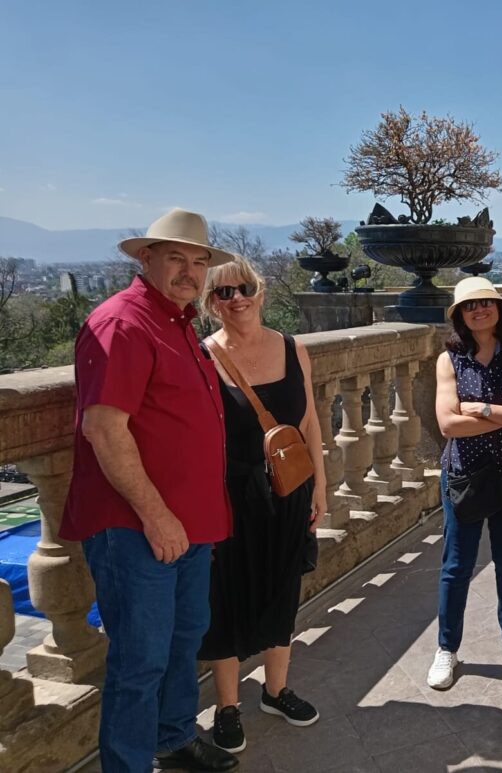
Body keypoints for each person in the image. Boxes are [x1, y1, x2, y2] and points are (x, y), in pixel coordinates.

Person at [59, 208, 240, 773]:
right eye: (176, 259)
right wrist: (157, 516)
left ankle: (173, 737)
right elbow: (104, 429)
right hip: (137, 526)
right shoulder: (123, 323)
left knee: (184, 640)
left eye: (198, 261)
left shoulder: (179, 323)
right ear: (146, 259)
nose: (189, 271)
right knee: (139, 661)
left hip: (190, 524)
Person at [197, 255, 326, 753]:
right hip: (228, 498)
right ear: (211, 304)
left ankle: (276, 690)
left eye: (244, 287)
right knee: (224, 599)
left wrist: (319, 484)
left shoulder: (293, 349)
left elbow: (309, 422)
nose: (237, 299)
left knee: (281, 588)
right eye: (223, 293)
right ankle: (227, 706)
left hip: (289, 491)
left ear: (261, 290)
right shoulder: (204, 356)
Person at [427, 276, 502, 689]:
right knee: (456, 566)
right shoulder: (449, 360)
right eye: (469, 306)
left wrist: (482, 408)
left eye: (486, 303)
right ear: (459, 316)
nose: (479, 310)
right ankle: (447, 649)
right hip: (464, 475)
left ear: (499, 308)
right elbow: (448, 423)